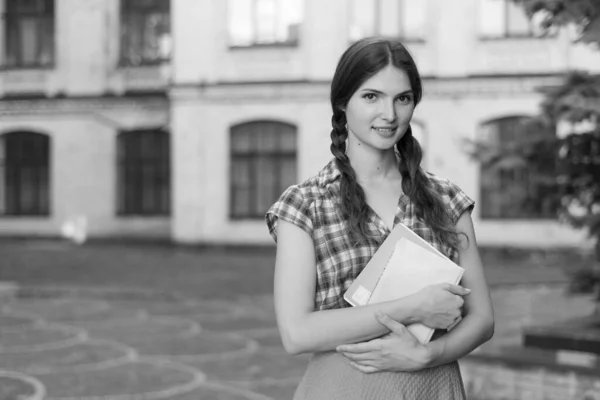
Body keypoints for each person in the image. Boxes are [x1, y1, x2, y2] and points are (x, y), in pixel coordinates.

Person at [265, 37, 494, 399]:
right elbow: (296, 333)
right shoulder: (305, 205)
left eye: (402, 98)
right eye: (371, 96)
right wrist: (414, 307)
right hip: (342, 388)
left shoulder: (446, 199)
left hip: (433, 385)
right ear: (342, 103)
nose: (389, 114)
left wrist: (428, 355)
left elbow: (482, 320)